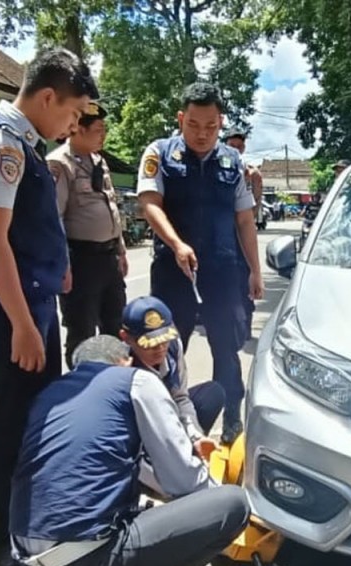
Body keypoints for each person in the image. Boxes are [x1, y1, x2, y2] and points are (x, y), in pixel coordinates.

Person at [0, 47, 98, 566]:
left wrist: (56, 267)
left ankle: (27, 521)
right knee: (12, 418)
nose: (74, 125)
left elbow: (28, 226)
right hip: (11, 309)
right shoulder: (1, 145)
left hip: (31, 301)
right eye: (72, 113)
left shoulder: (25, 144)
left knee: (36, 414)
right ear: (46, 97)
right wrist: (22, 324)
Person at [10, 334, 250, 566]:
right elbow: (184, 479)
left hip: (29, 557)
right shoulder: (135, 381)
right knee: (233, 504)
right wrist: (211, 508)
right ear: (124, 361)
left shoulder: (52, 394)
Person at [138, 82, 265, 446]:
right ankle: (165, 427)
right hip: (173, 270)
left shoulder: (232, 161)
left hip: (222, 273)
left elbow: (244, 220)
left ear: (220, 122)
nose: (202, 134)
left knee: (226, 348)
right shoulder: (160, 153)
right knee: (165, 348)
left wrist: (255, 270)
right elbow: (149, 204)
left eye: (211, 126)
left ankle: (231, 422)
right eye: (193, 124)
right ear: (181, 119)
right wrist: (177, 244)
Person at [47, 101, 127, 367]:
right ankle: (82, 386)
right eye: (98, 129)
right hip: (81, 261)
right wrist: (64, 265)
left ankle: (113, 382)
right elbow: (55, 218)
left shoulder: (99, 161)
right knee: (82, 331)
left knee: (116, 326)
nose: (103, 135)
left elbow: (111, 208)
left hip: (108, 258)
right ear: (79, 130)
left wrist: (121, 250)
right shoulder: (59, 164)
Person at [119, 296, 223, 447]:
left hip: (168, 410)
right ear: (126, 338)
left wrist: (194, 436)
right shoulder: (120, 366)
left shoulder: (173, 346)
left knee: (212, 394)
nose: (160, 348)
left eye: (164, 340)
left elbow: (180, 398)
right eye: (151, 344)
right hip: (140, 424)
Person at [222, 128, 263, 230]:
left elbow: (256, 199)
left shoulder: (251, 173)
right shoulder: (215, 167)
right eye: (232, 146)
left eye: (239, 146)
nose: (235, 150)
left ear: (244, 148)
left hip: (241, 222)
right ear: (225, 146)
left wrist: (247, 224)